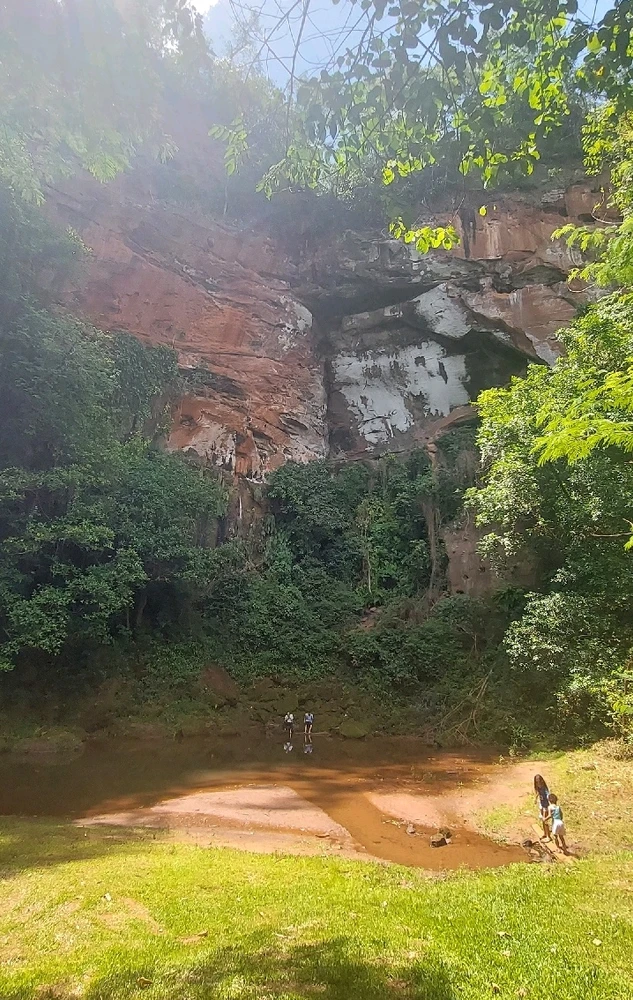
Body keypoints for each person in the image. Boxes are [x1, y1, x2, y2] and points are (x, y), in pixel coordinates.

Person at [534, 774, 551, 840]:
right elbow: (538, 792)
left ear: (541, 781)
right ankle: (545, 833)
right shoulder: (538, 787)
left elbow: (548, 794)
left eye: (539, 781)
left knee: (545, 820)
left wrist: (549, 800)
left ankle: (548, 837)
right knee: (543, 820)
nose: (538, 783)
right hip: (541, 804)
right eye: (536, 782)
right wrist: (536, 798)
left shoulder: (544, 787)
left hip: (546, 806)